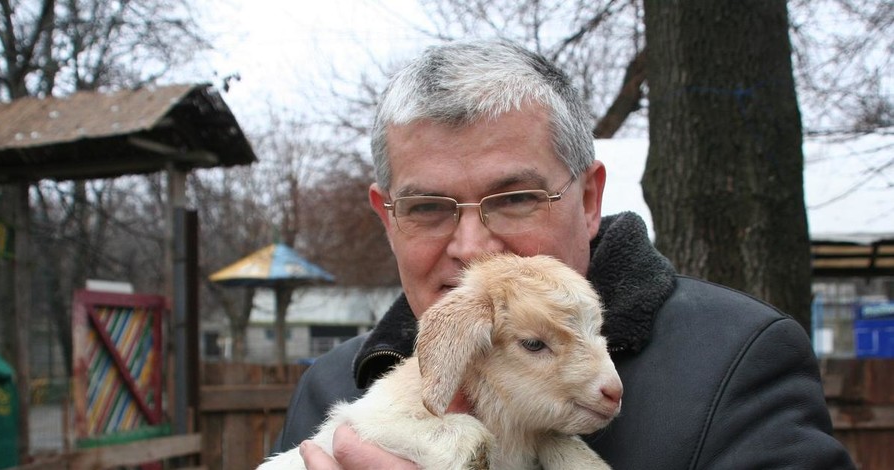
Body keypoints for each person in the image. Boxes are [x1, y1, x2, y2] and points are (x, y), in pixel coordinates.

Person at [272, 39, 855, 469]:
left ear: (590, 199)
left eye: (517, 198)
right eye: (426, 207)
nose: (472, 248)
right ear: (387, 217)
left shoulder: (738, 360)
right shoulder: (332, 385)